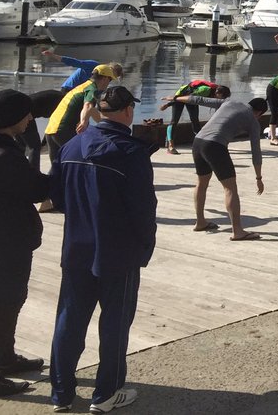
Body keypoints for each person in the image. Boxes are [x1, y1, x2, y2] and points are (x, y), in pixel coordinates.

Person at [49, 85, 156, 413]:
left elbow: (58, 196)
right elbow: (143, 207)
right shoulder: (131, 151)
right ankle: (106, 393)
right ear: (127, 112)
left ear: (98, 110)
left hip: (76, 247)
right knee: (115, 323)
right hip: (118, 252)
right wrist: (144, 248)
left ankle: (61, 394)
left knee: (69, 318)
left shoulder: (70, 146)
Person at [0, 90, 51, 398]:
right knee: (4, 303)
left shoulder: (6, 147)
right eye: (26, 114)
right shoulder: (5, 156)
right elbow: (36, 190)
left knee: (10, 301)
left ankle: (5, 357)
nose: (30, 118)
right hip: (6, 242)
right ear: (12, 118)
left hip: (8, 238)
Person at [184, 97, 268, 240]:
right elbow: (256, 152)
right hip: (214, 145)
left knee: (201, 183)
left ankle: (200, 222)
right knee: (230, 188)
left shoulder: (230, 102)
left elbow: (199, 99)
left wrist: (175, 98)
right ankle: (238, 231)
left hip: (198, 142)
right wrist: (259, 178)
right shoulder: (253, 121)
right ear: (259, 113)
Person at [158, 80, 230, 154]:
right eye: (222, 97)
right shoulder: (205, 90)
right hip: (181, 95)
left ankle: (201, 144)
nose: (221, 99)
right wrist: (168, 105)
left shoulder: (216, 93)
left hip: (192, 99)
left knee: (195, 121)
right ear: (218, 93)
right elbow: (189, 98)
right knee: (174, 121)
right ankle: (170, 146)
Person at [41, 52, 123, 92]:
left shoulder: (104, 79)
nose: (108, 79)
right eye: (110, 75)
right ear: (109, 68)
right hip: (69, 88)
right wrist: (53, 55)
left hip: (80, 91)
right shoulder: (93, 65)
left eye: (111, 79)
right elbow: (75, 62)